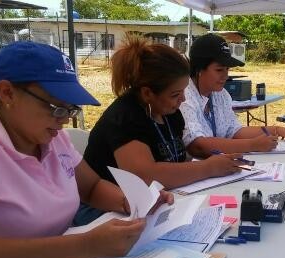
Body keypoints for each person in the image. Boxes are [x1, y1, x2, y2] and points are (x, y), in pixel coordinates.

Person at [0, 42, 172, 258]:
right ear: (7, 93)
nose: (65, 120)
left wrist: (136, 201)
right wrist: (86, 246)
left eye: (70, 109)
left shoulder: (52, 138)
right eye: (57, 108)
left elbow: (91, 187)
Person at [77, 36, 241, 224]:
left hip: (156, 203)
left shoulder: (169, 112)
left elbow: (177, 161)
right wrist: (208, 167)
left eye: (184, 92)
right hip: (106, 211)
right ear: (147, 93)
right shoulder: (125, 118)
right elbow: (145, 175)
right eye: (175, 94)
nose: (183, 100)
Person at [180, 34, 285, 158]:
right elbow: (197, 146)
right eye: (219, 70)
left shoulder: (220, 95)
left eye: (227, 69)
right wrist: (252, 145)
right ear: (199, 70)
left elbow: (235, 131)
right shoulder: (184, 96)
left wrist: (276, 130)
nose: (226, 76)